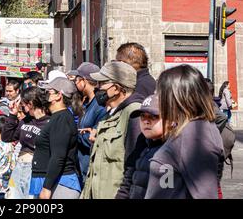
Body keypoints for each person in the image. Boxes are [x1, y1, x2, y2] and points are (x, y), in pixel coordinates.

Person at [145, 65, 224, 199]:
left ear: (174, 97)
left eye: (159, 93)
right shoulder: (188, 129)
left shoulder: (195, 135)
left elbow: (205, 194)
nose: (156, 98)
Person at [81, 61, 145, 199]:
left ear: (116, 88)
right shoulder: (112, 113)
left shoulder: (133, 113)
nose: (97, 88)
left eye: (102, 83)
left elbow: (133, 167)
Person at [30, 77, 82, 199]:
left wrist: (47, 188)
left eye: (49, 91)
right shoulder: (57, 117)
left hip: (60, 184)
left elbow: (58, 156)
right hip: (53, 183)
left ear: (59, 95)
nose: (45, 94)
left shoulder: (62, 119)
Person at [2, 86, 51, 199]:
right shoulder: (26, 120)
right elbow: (7, 137)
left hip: (36, 169)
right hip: (19, 167)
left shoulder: (49, 122)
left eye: (23, 103)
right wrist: (12, 114)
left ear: (31, 103)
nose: (21, 106)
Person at [115, 94, 163, 199]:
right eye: (142, 116)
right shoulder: (144, 146)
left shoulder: (172, 152)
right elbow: (127, 185)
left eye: (153, 116)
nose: (146, 121)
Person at [72, 62, 107, 182]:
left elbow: (95, 138)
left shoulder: (100, 106)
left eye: (77, 79)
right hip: (82, 167)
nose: (75, 83)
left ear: (84, 81)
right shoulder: (87, 103)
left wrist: (75, 134)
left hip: (90, 170)